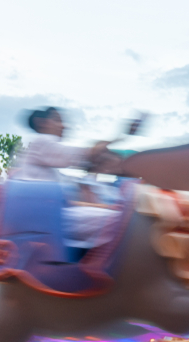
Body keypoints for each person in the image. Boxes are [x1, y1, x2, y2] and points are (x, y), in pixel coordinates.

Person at [11, 107, 120, 250]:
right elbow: (75, 156)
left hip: (50, 218)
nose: (63, 126)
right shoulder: (40, 141)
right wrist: (118, 137)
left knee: (116, 218)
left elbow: (71, 200)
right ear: (41, 123)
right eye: (57, 120)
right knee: (121, 222)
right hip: (50, 219)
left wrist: (107, 207)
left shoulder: (50, 170)